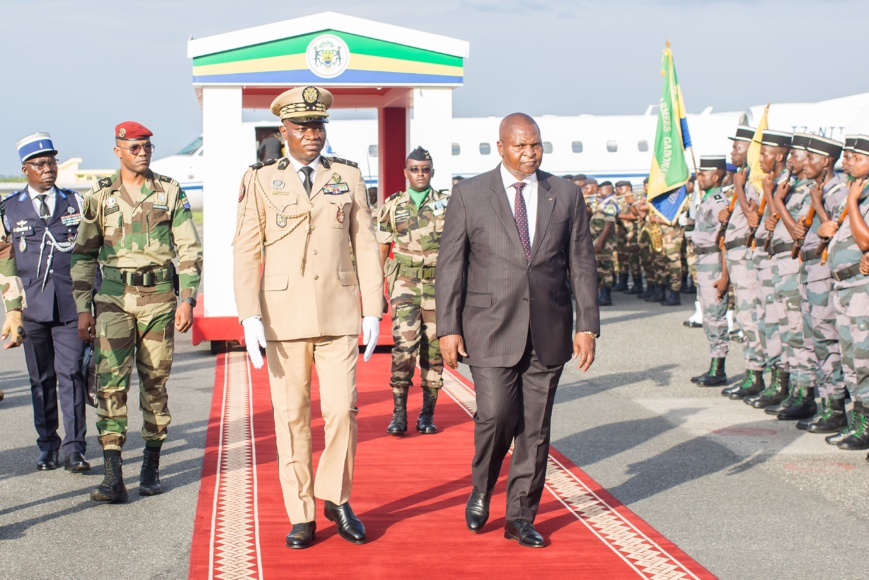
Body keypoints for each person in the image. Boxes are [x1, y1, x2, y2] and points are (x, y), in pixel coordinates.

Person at [436, 113, 599, 548]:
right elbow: (450, 264)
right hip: (489, 327)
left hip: (549, 327)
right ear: (501, 147)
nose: (529, 154)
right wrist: (447, 327)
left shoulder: (565, 194)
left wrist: (588, 325)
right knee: (497, 414)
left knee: (535, 428)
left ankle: (520, 516)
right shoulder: (469, 194)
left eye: (536, 146)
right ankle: (482, 485)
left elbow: (581, 263)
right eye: (521, 146)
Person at [232, 86, 382, 549]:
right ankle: (300, 512)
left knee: (342, 411)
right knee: (292, 417)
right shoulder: (260, 180)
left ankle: (336, 496)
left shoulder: (348, 176)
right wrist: (248, 316)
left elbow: (366, 244)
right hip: (283, 317)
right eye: (302, 127)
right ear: (284, 132)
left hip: (338, 313)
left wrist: (373, 309)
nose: (312, 135)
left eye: (318, 126)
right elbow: (244, 249)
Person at [71, 121, 203, 502]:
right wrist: (83, 309)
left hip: (159, 299)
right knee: (109, 384)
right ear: (118, 151)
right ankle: (113, 476)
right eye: (134, 147)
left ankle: (151, 464)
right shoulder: (98, 196)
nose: (143, 152)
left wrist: (188, 298)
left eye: (147, 146)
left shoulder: (169, 192)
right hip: (112, 298)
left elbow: (189, 249)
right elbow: (83, 256)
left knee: (154, 383)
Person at [0, 132, 89, 472]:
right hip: (32, 308)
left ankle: (75, 449)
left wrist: (89, 304)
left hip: (70, 306)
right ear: (25, 169)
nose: (48, 168)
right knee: (41, 379)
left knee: (72, 375)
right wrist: (12, 309)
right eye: (39, 164)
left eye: (51, 161)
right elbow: (5, 259)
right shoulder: (10, 209)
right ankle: (47, 445)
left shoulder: (75, 202)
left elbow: (90, 253)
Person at [377, 147, 448, 435]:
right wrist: (375, 292)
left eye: (426, 169)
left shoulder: (447, 203)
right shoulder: (393, 205)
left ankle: (427, 415)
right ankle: (399, 415)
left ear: (432, 172)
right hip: (404, 284)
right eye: (415, 169)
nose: (421, 173)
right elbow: (382, 246)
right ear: (406, 173)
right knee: (404, 349)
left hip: (437, 286)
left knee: (433, 352)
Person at [791, 136, 846, 432]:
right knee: (813, 342)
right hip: (809, 269)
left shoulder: (838, 193)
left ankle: (836, 408)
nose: (804, 163)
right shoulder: (813, 190)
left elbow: (838, 235)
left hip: (824, 273)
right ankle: (827, 405)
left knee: (828, 341)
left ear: (826, 161)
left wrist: (818, 207)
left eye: (811, 158)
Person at [819, 135, 869, 455]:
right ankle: (859, 423)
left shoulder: (859, 196)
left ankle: (866, 427)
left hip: (861, 289)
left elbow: (865, 242)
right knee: (851, 362)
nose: (846, 162)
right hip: (844, 288)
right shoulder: (858, 192)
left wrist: (852, 201)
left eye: (854, 157)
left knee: (864, 361)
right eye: (846, 157)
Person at [720, 126, 766, 400]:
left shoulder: (754, 183)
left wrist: (738, 186)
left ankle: (756, 375)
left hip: (748, 258)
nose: (732, 152)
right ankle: (752, 372)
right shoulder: (744, 180)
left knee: (750, 318)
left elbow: (754, 219)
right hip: (736, 257)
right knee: (744, 317)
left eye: (737, 147)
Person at [688, 157, 731, 386]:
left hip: (714, 262)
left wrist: (724, 276)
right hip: (704, 261)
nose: (698, 177)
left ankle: (718, 368)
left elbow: (725, 241)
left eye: (703, 174)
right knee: (708, 315)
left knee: (715, 316)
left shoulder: (717, 202)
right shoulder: (706, 200)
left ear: (715, 176)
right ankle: (714, 364)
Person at [589, 180, 618, 305]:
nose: (599, 191)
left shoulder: (610, 204)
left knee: (605, 269)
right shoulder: (603, 203)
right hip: (597, 240)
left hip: (605, 242)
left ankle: (606, 297)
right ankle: (601, 295)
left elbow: (609, 223)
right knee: (598, 268)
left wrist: (600, 242)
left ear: (609, 189)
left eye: (601, 189)